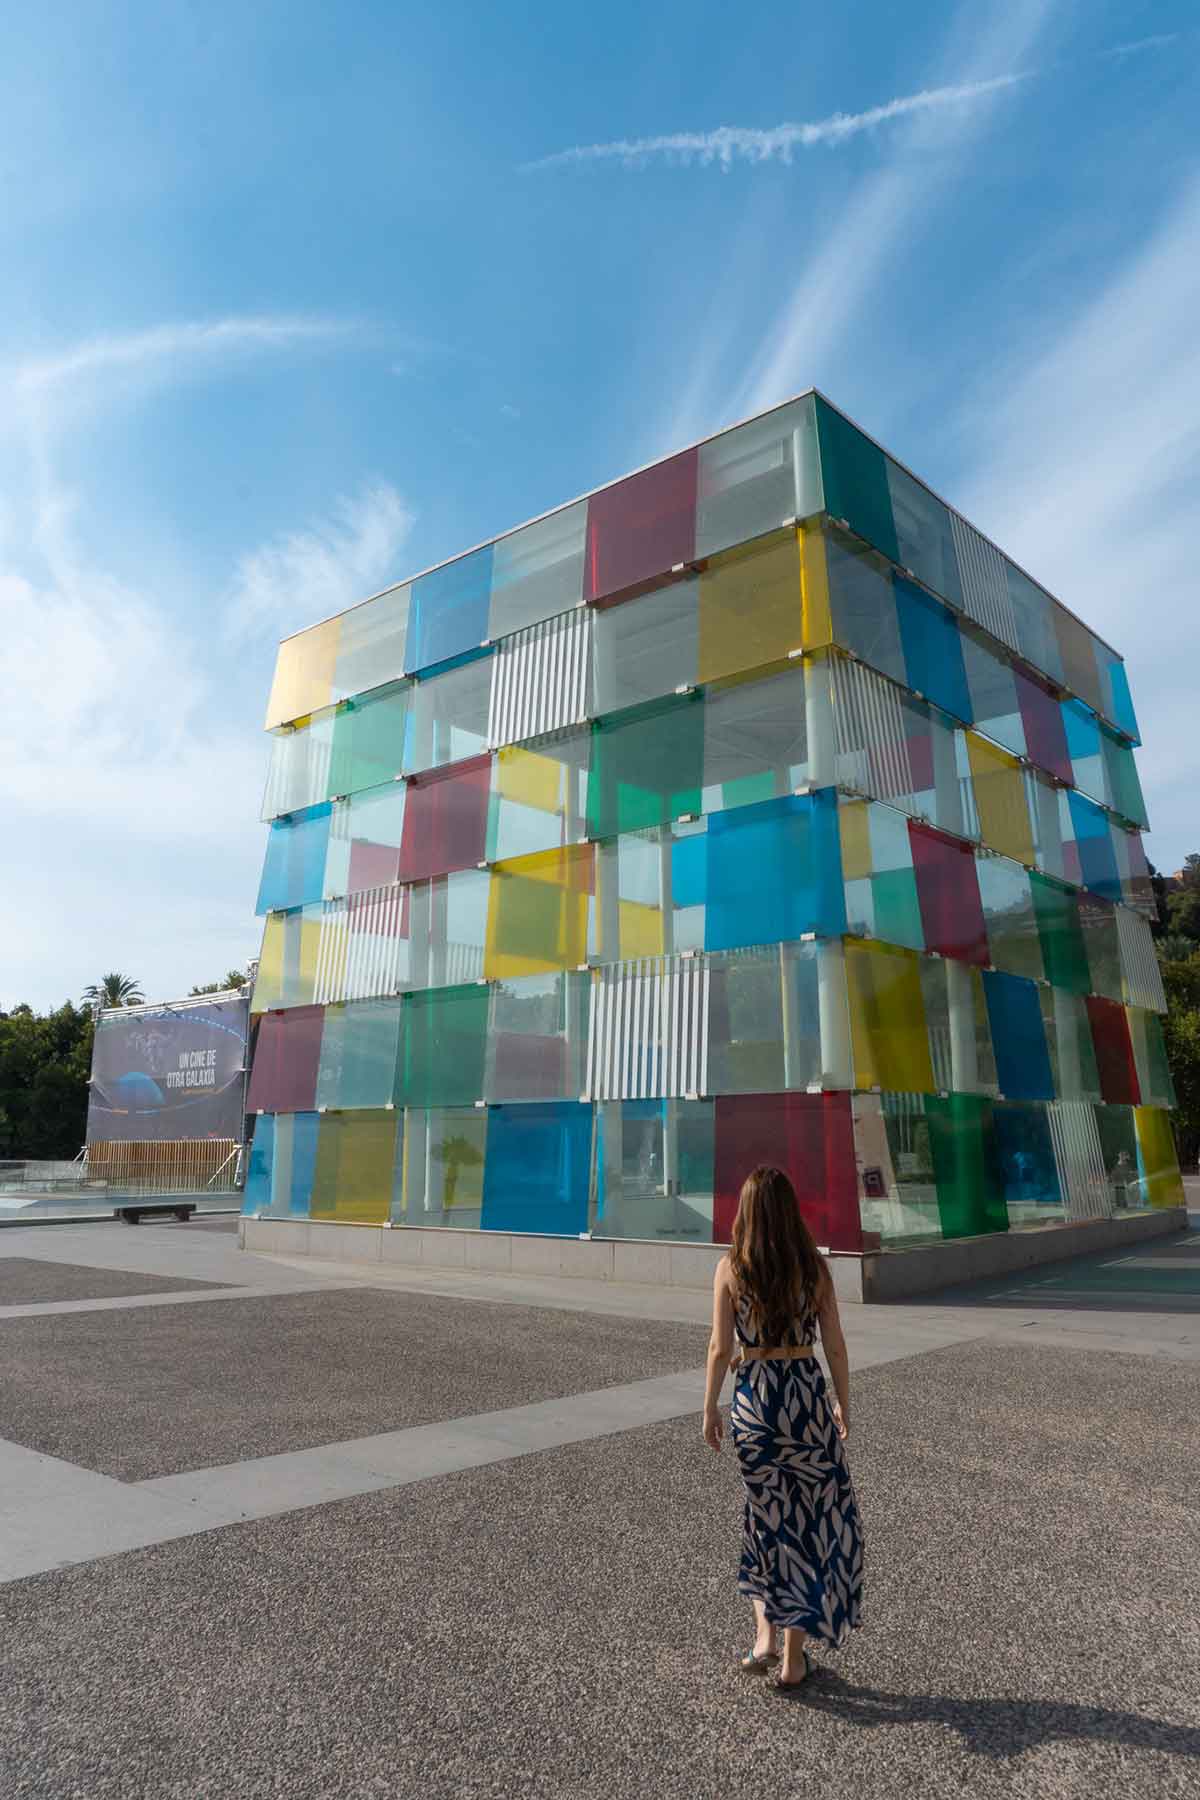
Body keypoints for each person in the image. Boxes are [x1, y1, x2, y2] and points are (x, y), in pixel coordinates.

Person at [703, 1164, 863, 1689]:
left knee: (766, 1518)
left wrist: (710, 1407)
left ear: (746, 1212)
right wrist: (842, 1401)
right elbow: (834, 1344)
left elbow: (720, 1348)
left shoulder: (730, 1268)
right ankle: (792, 1657)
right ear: (791, 1211)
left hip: (754, 1404)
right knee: (812, 1522)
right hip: (805, 1401)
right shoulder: (814, 1269)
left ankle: (764, 1637)